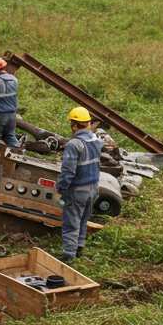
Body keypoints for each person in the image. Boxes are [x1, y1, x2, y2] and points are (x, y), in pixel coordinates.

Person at [57, 106, 102, 262]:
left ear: (75, 125)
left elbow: (68, 171)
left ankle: (68, 256)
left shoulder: (74, 144)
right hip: (94, 188)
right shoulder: (97, 140)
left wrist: (61, 187)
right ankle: (79, 247)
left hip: (78, 190)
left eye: (72, 124)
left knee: (72, 222)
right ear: (88, 123)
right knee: (83, 219)